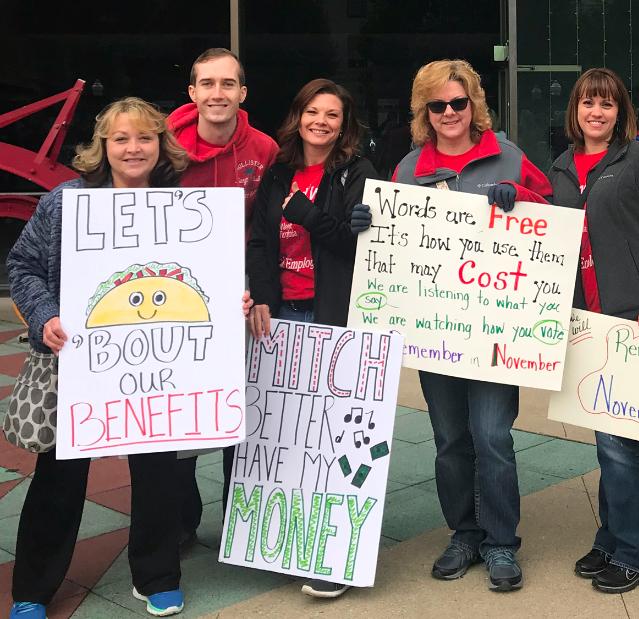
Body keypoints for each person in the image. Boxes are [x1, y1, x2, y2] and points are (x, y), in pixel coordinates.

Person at [6, 98, 192, 618]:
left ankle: (157, 575)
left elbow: (203, 277)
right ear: (103, 147)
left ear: (161, 145)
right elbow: (21, 266)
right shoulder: (67, 202)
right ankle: (33, 589)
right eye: (121, 139)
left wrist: (232, 298)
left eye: (145, 138)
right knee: (59, 477)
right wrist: (44, 315)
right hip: (76, 362)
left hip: (154, 364)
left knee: (157, 470)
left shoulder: (182, 207)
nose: (134, 148)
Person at [392, 59, 552, 592]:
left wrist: (522, 199)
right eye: (437, 105)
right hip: (437, 332)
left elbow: (553, 217)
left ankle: (502, 540)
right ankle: (464, 532)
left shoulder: (508, 157)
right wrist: (369, 226)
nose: (449, 113)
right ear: (425, 112)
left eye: (458, 102)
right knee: (449, 440)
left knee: (491, 436)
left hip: (496, 335)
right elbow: (394, 246)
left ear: (474, 104)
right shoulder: (410, 168)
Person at [548, 68, 639, 594]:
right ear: (575, 111)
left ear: (620, 111)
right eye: (587, 103)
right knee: (606, 441)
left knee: (618, 443)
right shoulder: (559, 169)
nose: (596, 113)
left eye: (606, 104)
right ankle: (611, 537)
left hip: (633, 317)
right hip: (585, 322)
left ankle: (637, 551)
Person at [245, 78, 379, 599]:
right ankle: (292, 544)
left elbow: (352, 242)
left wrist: (306, 212)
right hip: (282, 316)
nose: (321, 122)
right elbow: (259, 241)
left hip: (332, 316)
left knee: (335, 438)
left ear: (344, 125)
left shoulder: (357, 172)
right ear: (298, 116)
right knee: (288, 435)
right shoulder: (277, 171)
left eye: (333, 115)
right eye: (313, 112)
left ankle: (335, 557)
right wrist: (261, 298)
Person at [167, 47, 279, 548]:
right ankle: (182, 520)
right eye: (207, 84)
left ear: (242, 93)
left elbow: (270, 229)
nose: (218, 93)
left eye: (228, 84)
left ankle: (243, 519)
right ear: (192, 93)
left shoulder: (265, 149)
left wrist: (259, 291)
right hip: (177, 301)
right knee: (182, 414)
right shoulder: (164, 148)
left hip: (241, 296)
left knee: (245, 408)